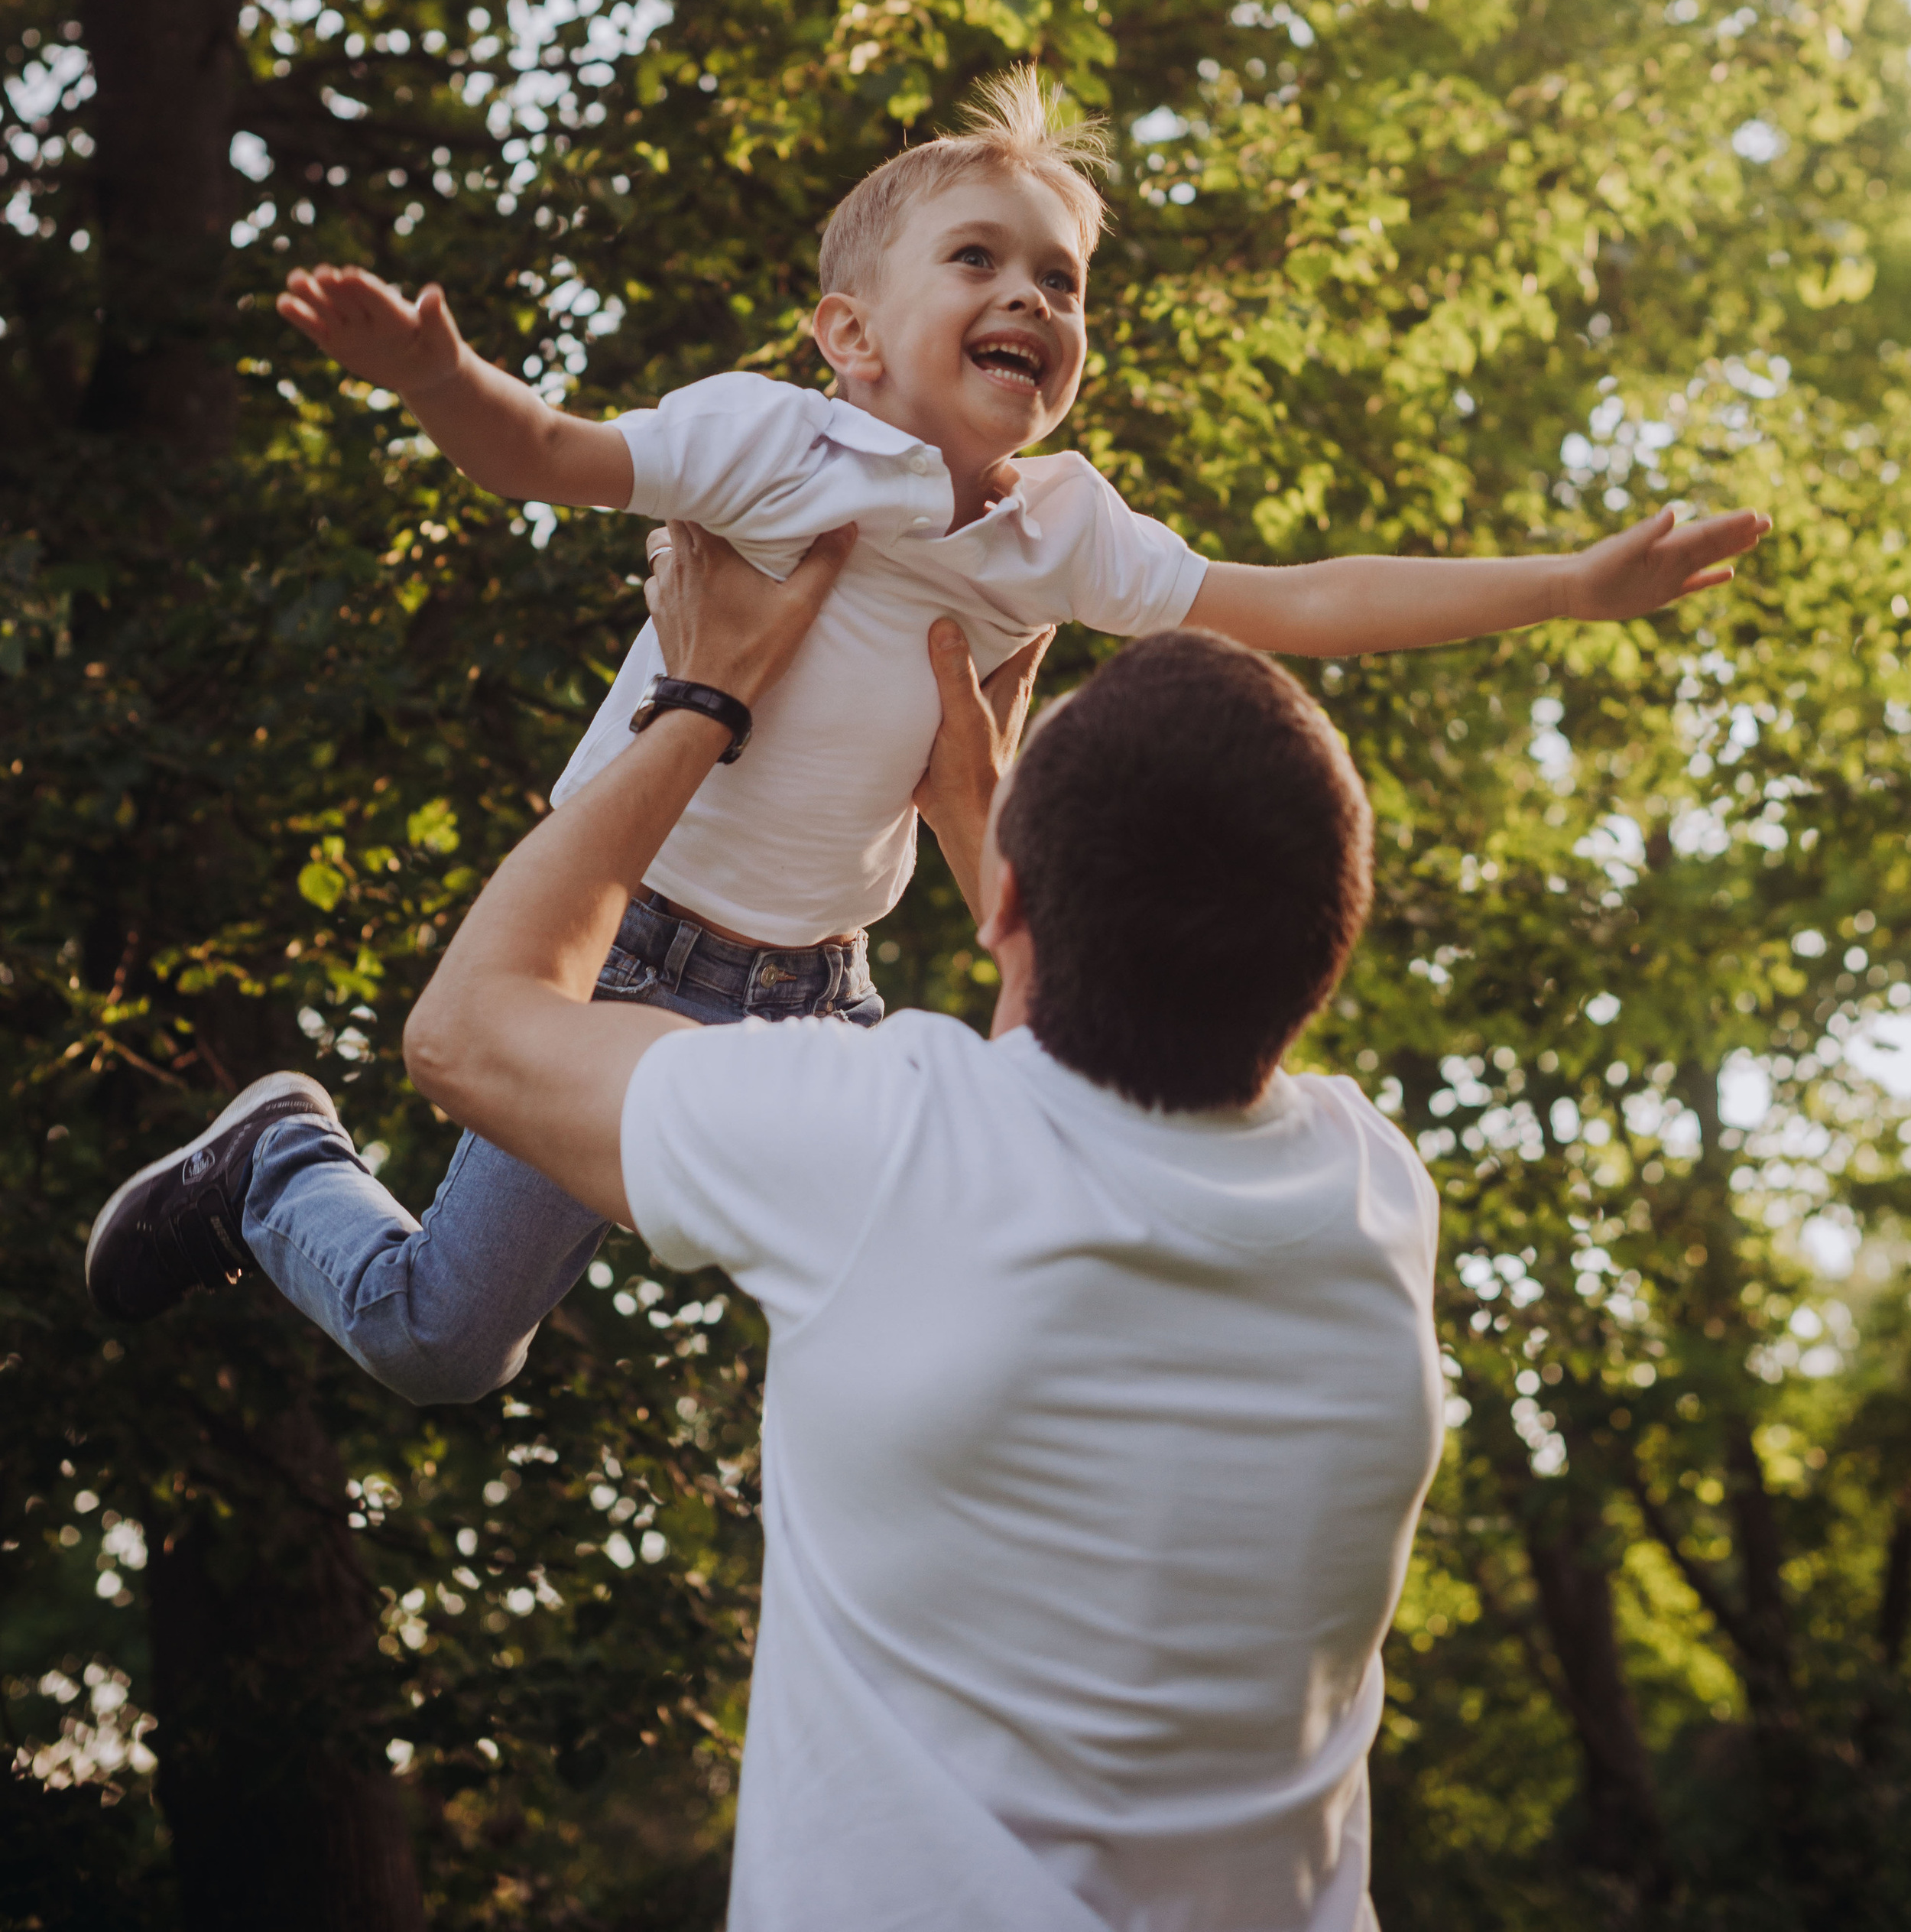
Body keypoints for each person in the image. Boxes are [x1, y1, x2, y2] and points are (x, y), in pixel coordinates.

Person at [86, 67, 1767, 1390]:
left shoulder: (1059, 531)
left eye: (1061, 278)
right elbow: (546, 457)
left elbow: (1300, 600)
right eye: (976, 261)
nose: (1028, 298)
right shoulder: (771, 446)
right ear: (849, 337)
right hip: (617, 954)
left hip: (818, 988)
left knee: (954, 1300)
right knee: (443, 1344)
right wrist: (436, 381)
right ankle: (278, 1164)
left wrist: (1563, 583)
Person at [406, 518, 1436, 1929]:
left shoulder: (890, 1147)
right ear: (1324, 950)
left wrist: (700, 698)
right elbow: (1113, 1072)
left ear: (1011, 900)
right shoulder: (1370, 1201)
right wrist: (988, 830)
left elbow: (468, 1032)